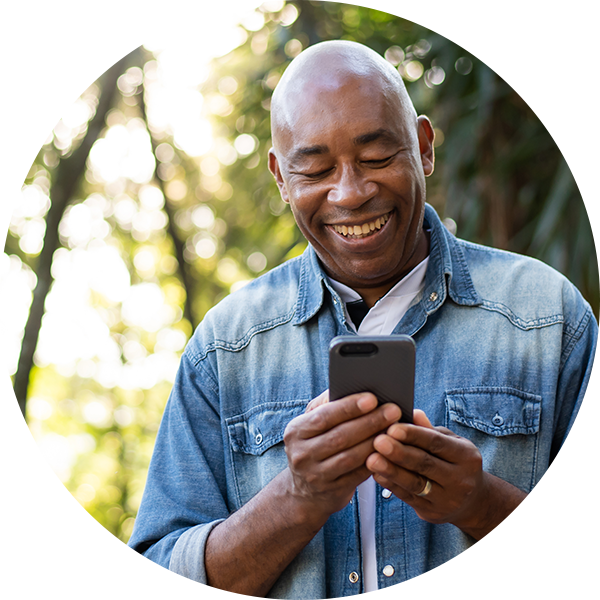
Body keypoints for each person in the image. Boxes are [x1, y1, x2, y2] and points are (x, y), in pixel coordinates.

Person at [116, 41, 594, 600]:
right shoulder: (227, 348)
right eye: (315, 169)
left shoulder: (546, 318)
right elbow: (153, 585)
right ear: (280, 177)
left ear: (422, 147)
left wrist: (482, 505)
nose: (350, 193)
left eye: (376, 158)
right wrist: (295, 498)